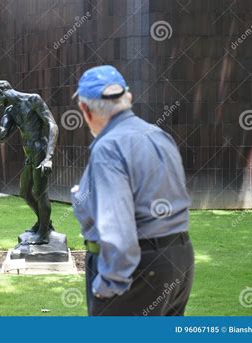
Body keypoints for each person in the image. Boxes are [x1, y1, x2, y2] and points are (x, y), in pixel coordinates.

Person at [71, 65, 194, 316]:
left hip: (136, 270)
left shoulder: (108, 147)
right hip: (179, 260)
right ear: (128, 98)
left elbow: (116, 225)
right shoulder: (158, 135)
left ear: (85, 109)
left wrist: (111, 282)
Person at [0, 81, 58, 244]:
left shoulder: (33, 100)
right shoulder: (11, 110)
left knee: (40, 192)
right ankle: (45, 223)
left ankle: (43, 233)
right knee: (24, 191)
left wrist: (48, 157)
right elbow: (1, 135)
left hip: (40, 151)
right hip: (29, 154)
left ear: (1, 91)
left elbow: (52, 125)